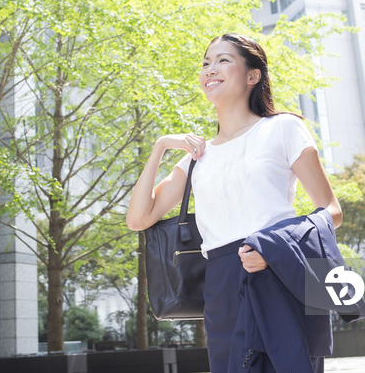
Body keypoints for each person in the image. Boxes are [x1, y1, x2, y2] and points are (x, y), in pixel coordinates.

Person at [125, 33, 343, 373]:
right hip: (223, 280)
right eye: (206, 62)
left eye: (224, 60)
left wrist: (272, 249)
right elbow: (138, 219)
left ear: (252, 75)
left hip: (280, 267)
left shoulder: (284, 128)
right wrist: (160, 147)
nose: (211, 69)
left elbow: (331, 211)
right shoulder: (197, 157)